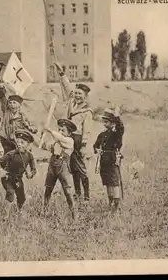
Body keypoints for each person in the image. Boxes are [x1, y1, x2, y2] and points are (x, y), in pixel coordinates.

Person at [55, 62, 93, 202]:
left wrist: (83, 146)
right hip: (68, 138)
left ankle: (87, 196)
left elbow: (87, 130)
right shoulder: (71, 102)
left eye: (80, 94)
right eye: (76, 93)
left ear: (85, 96)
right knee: (72, 167)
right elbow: (67, 86)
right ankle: (77, 193)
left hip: (78, 140)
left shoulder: (87, 111)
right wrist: (62, 73)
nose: (77, 96)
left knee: (80, 168)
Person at [41, 118, 77, 219]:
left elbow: (61, 139)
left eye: (63, 130)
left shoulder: (69, 141)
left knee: (67, 191)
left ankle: (74, 213)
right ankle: (45, 210)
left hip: (63, 166)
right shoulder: (56, 142)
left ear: (69, 133)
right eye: (59, 129)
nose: (60, 132)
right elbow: (45, 146)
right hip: (52, 165)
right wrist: (42, 136)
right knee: (48, 188)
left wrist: (50, 130)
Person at [0, 129, 38, 212]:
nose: (19, 144)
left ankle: (19, 211)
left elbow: (34, 170)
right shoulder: (11, 153)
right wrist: (1, 170)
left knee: (22, 197)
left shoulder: (29, 156)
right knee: (10, 192)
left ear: (28, 144)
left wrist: (31, 174)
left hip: (18, 179)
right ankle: (6, 215)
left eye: (22, 142)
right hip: (8, 177)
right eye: (18, 142)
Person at [93, 107, 125, 213]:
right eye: (104, 122)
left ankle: (116, 205)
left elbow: (120, 127)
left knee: (114, 183)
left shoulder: (117, 134)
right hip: (103, 161)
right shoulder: (102, 135)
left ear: (112, 123)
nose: (104, 124)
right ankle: (110, 202)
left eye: (106, 122)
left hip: (112, 161)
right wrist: (96, 149)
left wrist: (117, 117)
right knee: (107, 182)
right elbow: (96, 145)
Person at [0, 86, 38, 154]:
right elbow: (3, 100)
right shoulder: (6, 113)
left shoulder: (23, 117)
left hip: (18, 142)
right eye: (10, 103)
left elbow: (34, 129)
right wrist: (2, 90)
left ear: (19, 105)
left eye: (14, 103)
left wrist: (29, 126)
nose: (12, 105)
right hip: (6, 141)